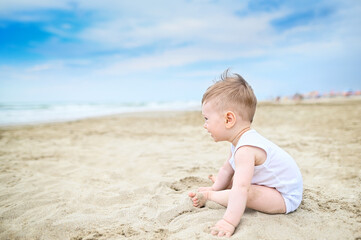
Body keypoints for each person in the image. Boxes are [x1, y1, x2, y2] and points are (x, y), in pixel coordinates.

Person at [188, 70, 303, 237]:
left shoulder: (246, 149)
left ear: (229, 119)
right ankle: (218, 190)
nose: (205, 125)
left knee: (243, 190)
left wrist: (228, 221)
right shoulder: (239, 143)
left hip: (284, 197)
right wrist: (217, 185)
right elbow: (227, 168)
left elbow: (242, 189)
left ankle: (210, 196)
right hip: (270, 187)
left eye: (207, 119)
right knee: (233, 179)